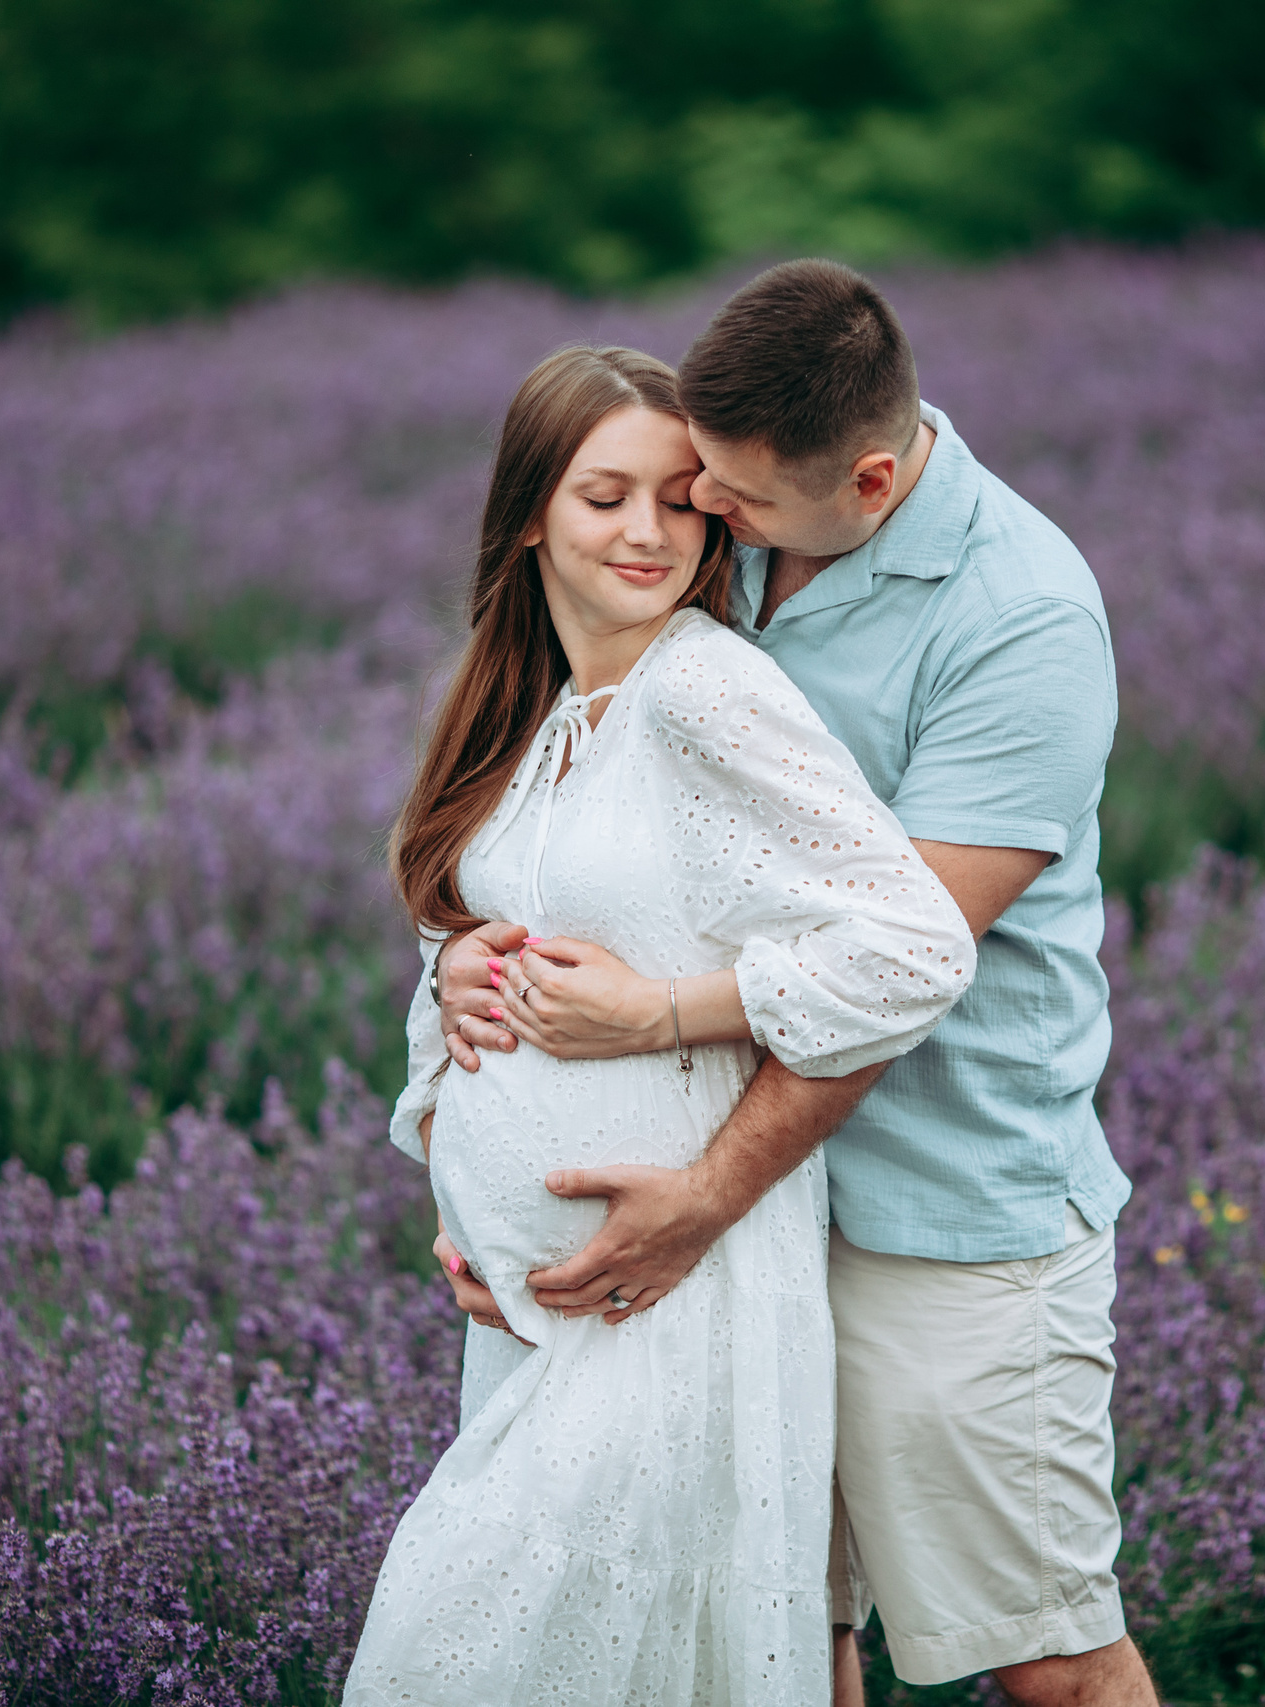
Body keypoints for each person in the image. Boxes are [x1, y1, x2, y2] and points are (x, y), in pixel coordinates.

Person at [431, 261, 1154, 1707]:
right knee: (777, 1642)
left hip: (939, 1206)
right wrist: (477, 1113)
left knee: (1045, 1655)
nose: (693, 520)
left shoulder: (1022, 625)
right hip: (735, 1241)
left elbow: (900, 971)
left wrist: (681, 1124)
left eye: (729, 502)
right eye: (684, 482)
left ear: (871, 479)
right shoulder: (724, 522)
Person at [344, 344, 978, 1705]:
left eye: (680, 501)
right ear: (528, 515)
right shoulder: (530, 719)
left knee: (452, 1662)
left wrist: (666, 1015)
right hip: (532, 1323)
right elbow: (465, 982)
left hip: (674, 1301)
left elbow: (915, 948)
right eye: (603, 496)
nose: (648, 531)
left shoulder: (705, 691)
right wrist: (452, 1038)